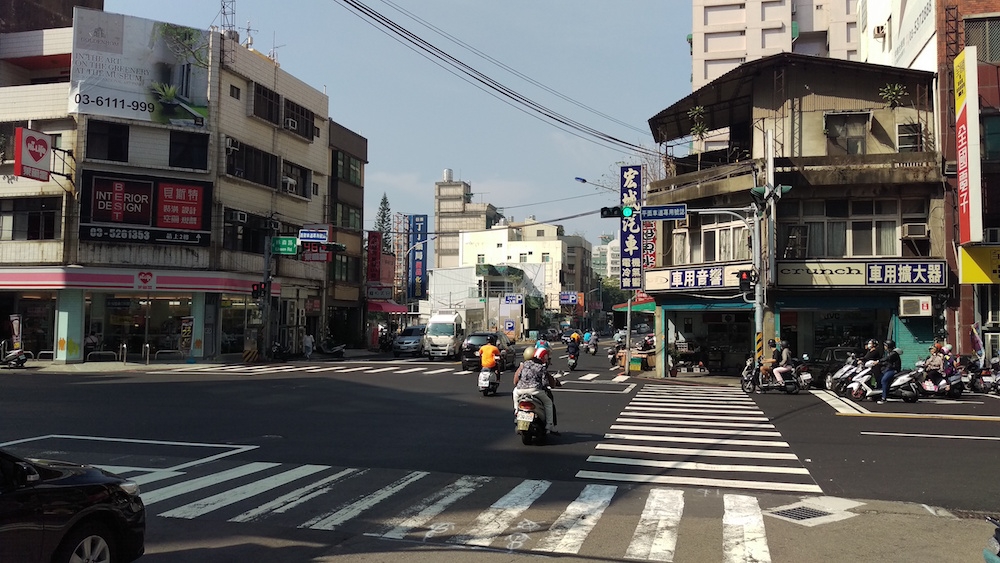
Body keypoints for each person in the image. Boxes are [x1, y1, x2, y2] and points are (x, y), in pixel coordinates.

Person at [512, 346, 560, 435]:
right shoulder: (541, 367)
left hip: (520, 390)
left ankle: (516, 410)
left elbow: (517, 378)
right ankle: (549, 424)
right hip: (534, 390)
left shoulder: (524, 364)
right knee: (548, 403)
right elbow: (544, 383)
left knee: (515, 392)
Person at [877, 340, 903, 404]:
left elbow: (887, 359)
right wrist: (879, 363)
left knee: (884, 380)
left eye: (885, 345)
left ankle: (884, 398)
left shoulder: (893, 353)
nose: (884, 347)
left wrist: (878, 361)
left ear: (889, 346)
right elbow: (887, 362)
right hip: (889, 369)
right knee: (879, 378)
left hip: (893, 370)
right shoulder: (890, 352)